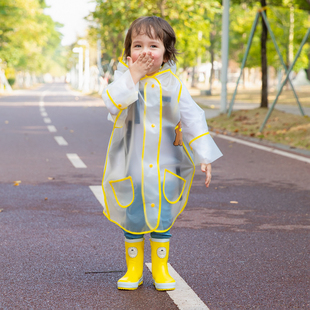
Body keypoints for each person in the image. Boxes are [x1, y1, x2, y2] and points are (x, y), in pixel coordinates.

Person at [101, 16, 222, 291]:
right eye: (137, 45)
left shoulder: (174, 85)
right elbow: (111, 103)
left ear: (166, 53)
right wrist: (133, 75)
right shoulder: (125, 81)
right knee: (133, 214)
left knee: (162, 216)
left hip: (167, 165)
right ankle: (133, 270)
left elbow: (193, 119)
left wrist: (205, 156)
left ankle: (160, 268)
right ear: (128, 52)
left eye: (153, 46)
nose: (145, 52)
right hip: (131, 166)